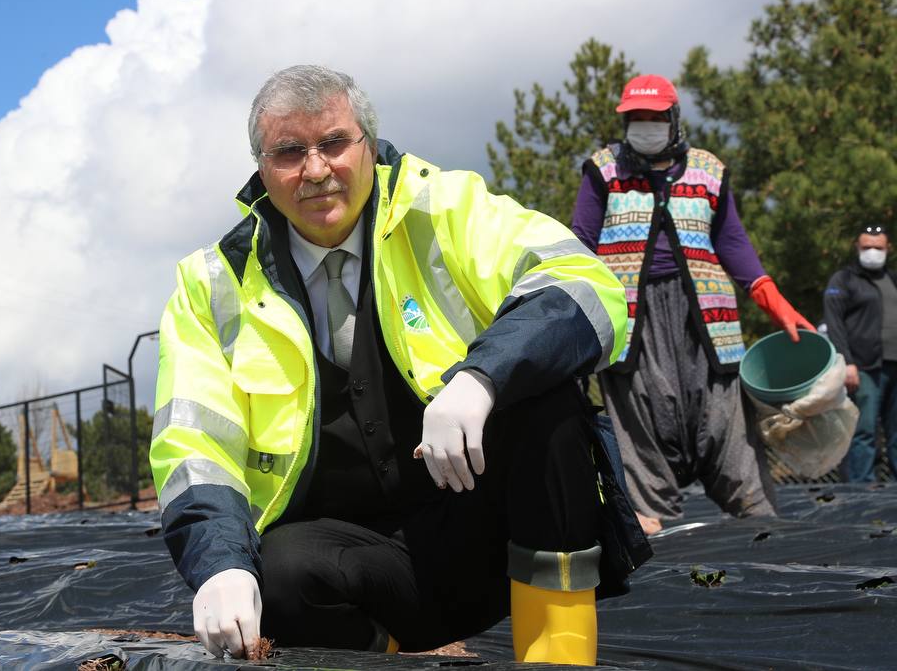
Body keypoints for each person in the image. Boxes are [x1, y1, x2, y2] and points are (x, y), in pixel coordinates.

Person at [150, 65, 637, 666]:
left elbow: (587, 284)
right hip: (351, 561)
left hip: (483, 535)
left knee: (551, 408)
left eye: (333, 143)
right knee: (272, 577)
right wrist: (219, 563)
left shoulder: (446, 208)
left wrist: (482, 377)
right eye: (288, 152)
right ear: (260, 166)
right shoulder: (210, 284)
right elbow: (193, 444)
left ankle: (557, 658)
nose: (316, 169)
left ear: (369, 145)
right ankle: (396, 657)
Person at [571, 74, 814, 532]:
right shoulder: (603, 171)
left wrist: (770, 297)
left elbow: (733, 242)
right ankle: (656, 536)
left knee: (726, 427)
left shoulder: (708, 171)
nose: (645, 125)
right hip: (633, 330)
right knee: (641, 429)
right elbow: (581, 242)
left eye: (654, 116)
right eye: (635, 118)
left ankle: (764, 530)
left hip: (706, 323)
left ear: (673, 119)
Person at [824, 224, 897, 481]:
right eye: (867, 247)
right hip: (864, 367)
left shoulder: (892, 279)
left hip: (894, 364)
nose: (873, 252)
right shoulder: (843, 280)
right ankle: (860, 491)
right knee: (863, 430)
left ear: (888, 248)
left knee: (895, 431)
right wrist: (847, 362)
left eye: (878, 248)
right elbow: (834, 324)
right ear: (857, 247)